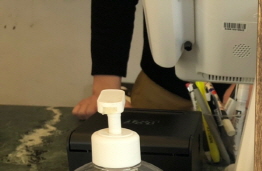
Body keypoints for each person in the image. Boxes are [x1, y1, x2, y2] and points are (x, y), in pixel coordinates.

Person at [73, 0, 229, 119]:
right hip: (163, 88)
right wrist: (106, 90)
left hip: (237, 93)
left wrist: (242, 87)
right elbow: (113, 5)